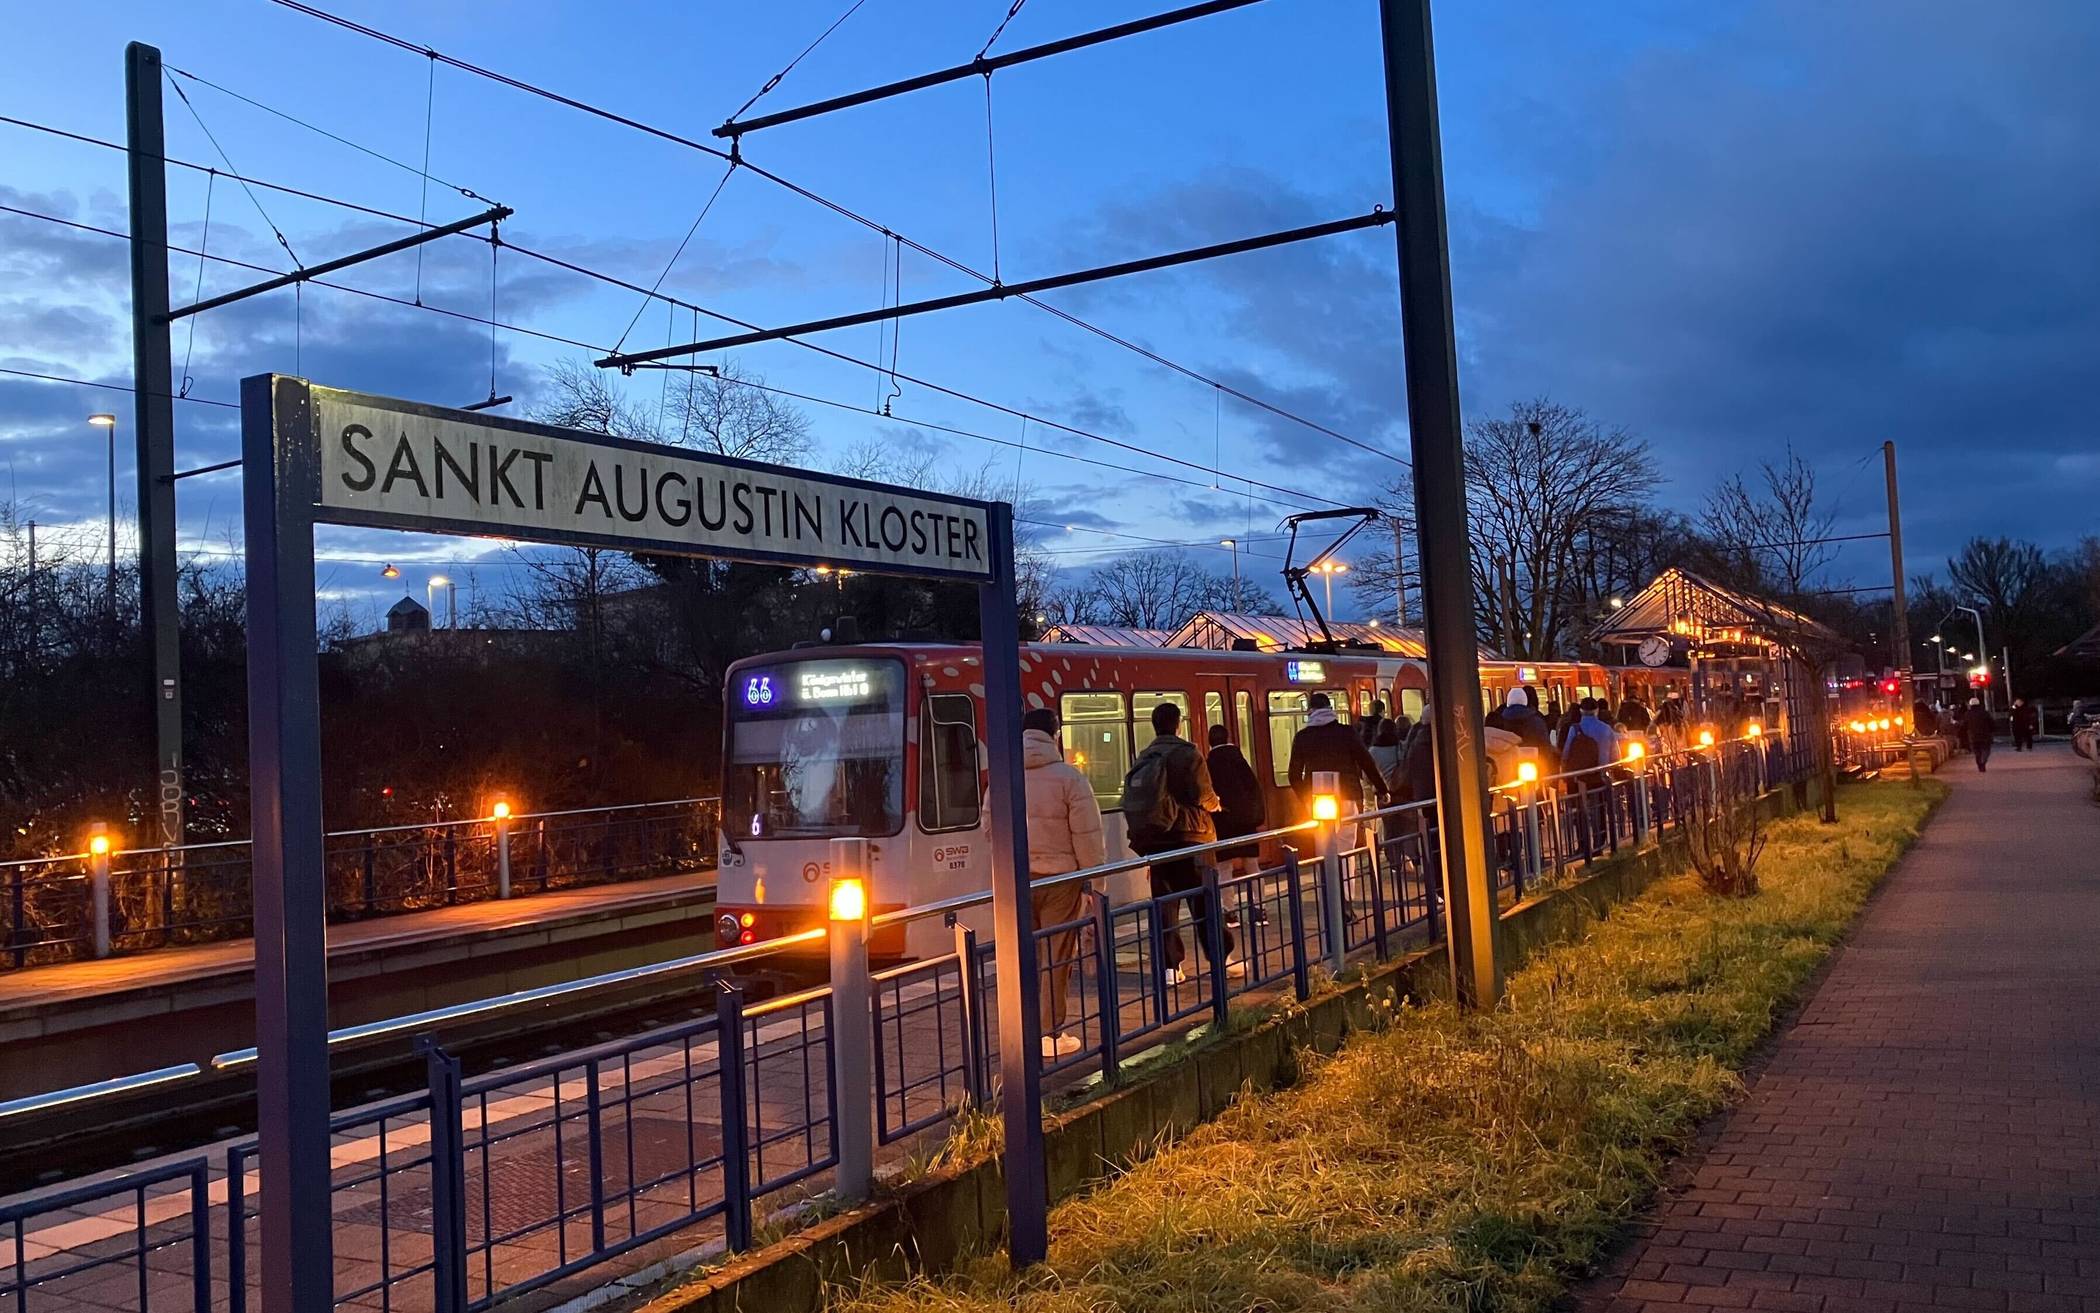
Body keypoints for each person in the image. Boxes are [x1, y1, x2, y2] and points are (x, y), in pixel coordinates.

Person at [1120, 701, 1230, 983]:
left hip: (1156, 840)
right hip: (1192, 837)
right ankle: (1221, 959)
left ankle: (1170, 968)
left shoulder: (1145, 755)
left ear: (1155, 725)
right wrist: (1216, 804)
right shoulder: (1188, 754)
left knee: (1165, 905)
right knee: (1204, 901)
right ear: (1178, 724)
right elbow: (1203, 795)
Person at [1021, 708, 1106, 1059]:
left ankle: (1021, 1028)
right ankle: (1050, 1034)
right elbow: (1087, 836)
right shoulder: (1070, 778)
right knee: (1057, 955)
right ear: (1055, 734)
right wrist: (1094, 882)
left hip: (1019, 881)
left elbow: (988, 829)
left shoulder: (1003, 776)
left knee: (1024, 954)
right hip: (1061, 880)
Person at [1287, 692, 1393, 814]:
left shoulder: (1302, 737)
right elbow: (1367, 763)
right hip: (1348, 795)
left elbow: (1294, 775)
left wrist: (1306, 799)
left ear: (1310, 711)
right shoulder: (1347, 732)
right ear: (1331, 709)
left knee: (1322, 833)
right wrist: (1382, 790)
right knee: (1350, 832)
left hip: (1316, 799)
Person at [1205, 724, 1266, 880]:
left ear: (1209, 742)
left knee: (1224, 867)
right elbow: (1254, 788)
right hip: (1246, 821)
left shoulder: (1208, 765)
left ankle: (1227, 904)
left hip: (1221, 822)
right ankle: (1260, 902)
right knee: (1251, 863)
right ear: (1227, 738)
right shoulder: (1239, 760)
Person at [1490, 686, 1558, 771]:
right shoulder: (1536, 721)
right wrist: (1548, 769)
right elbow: (1545, 747)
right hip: (1535, 768)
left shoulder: (1499, 719)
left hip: (1506, 768)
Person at [1964, 698, 1997, 771]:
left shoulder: (1967, 714)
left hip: (1973, 736)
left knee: (1976, 751)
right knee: (1986, 750)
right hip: (1985, 735)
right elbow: (1991, 723)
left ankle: (1979, 763)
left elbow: (1964, 725)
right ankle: (1983, 761)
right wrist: (1992, 730)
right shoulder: (1985, 713)